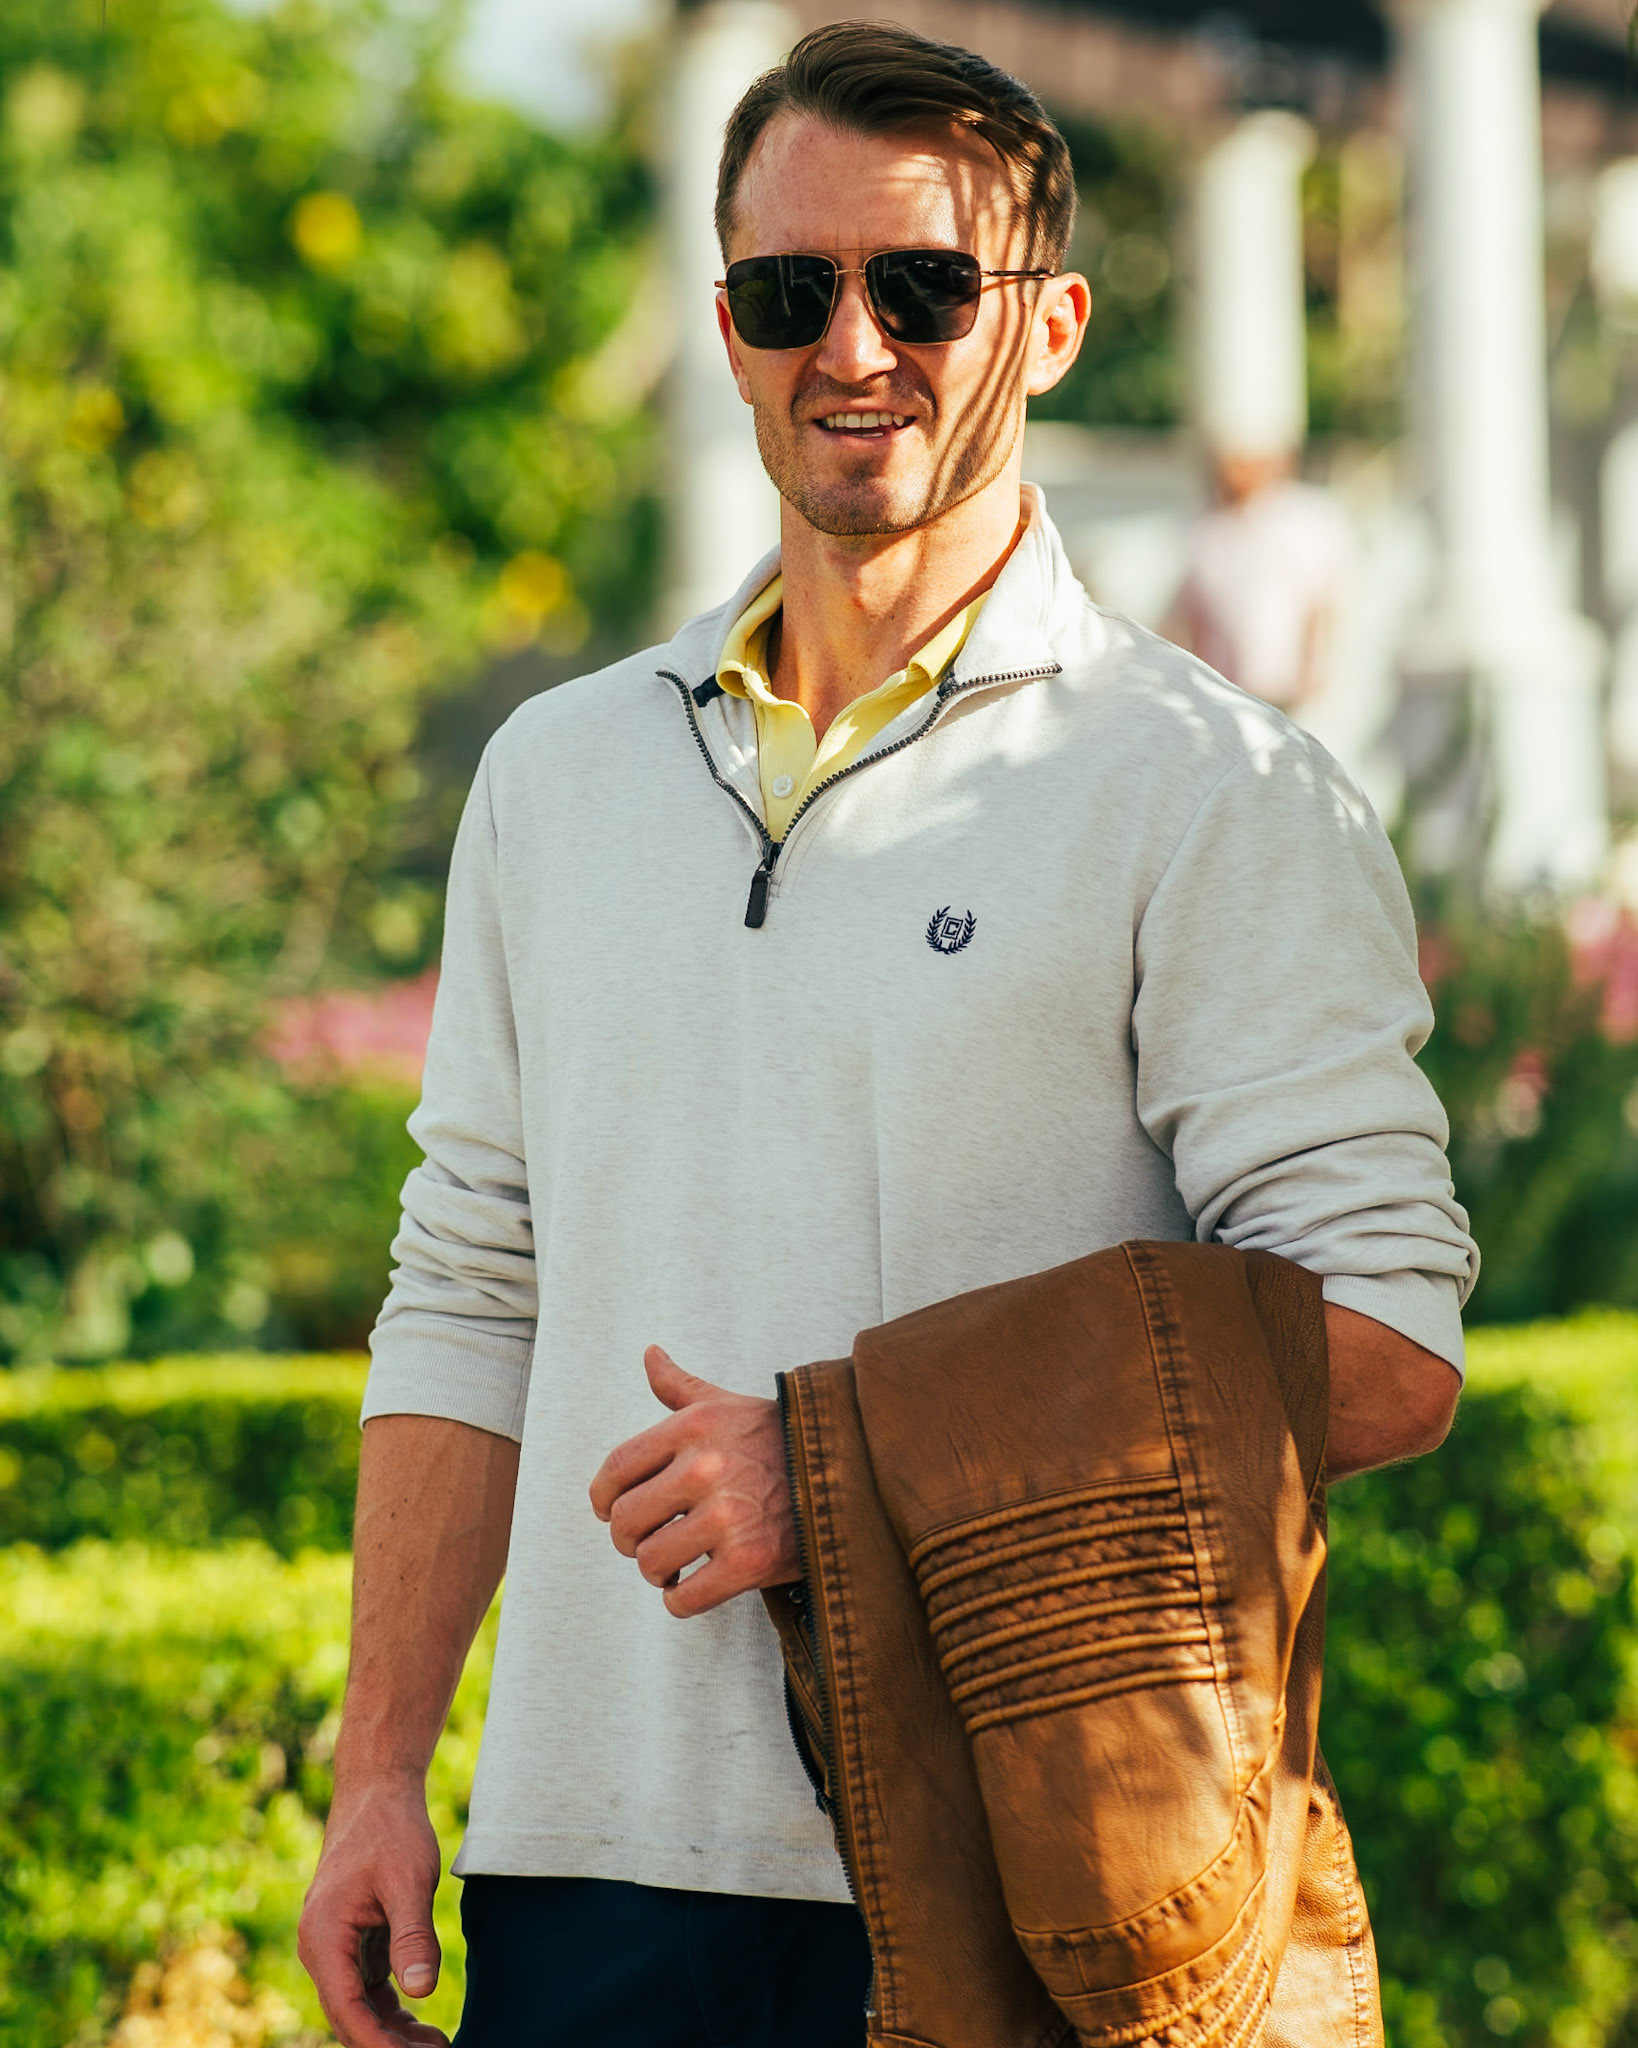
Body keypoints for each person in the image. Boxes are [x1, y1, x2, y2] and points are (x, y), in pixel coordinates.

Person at [297, 23, 1478, 2048]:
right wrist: (378, 1768)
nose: (853, 346)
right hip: (581, 1871)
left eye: (925, 285)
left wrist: (840, 1470)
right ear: (729, 329)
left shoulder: (1209, 787)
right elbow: (473, 1285)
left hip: (1031, 1879)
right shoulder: (555, 775)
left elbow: (1379, 1338)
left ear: (1050, 326)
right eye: (789, 290)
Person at [1176, 445, 1357, 712]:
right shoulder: (1207, 524)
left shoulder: (1306, 518)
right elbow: (1194, 614)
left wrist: (1311, 670)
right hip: (1227, 688)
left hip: (1287, 688)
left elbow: (1322, 602)